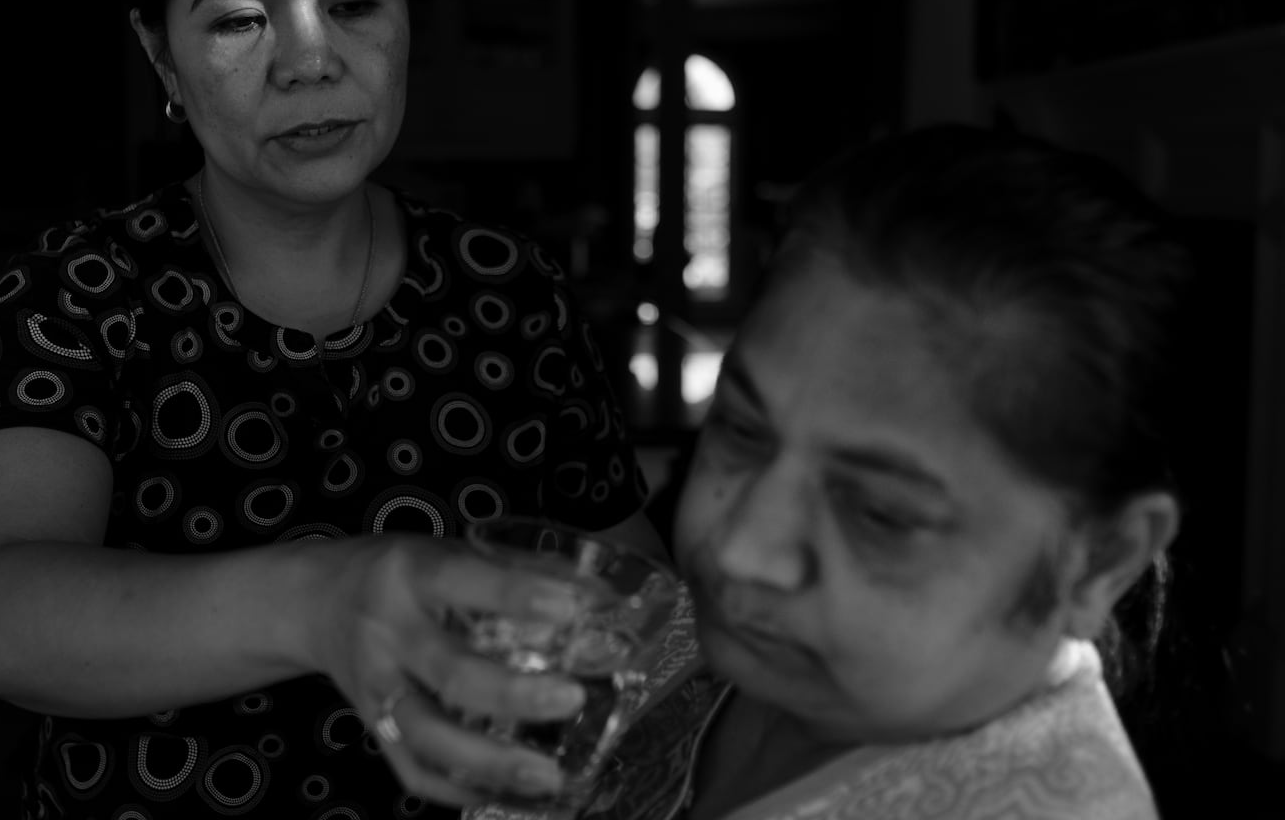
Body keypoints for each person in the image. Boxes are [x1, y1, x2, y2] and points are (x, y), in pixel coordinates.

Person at [0, 0, 664, 817]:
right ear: (161, 54)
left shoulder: (509, 293)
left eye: (355, 3)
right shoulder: (82, 291)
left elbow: (633, 606)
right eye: (239, 20)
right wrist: (325, 598)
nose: (310, 61)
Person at [473, 123, 1192, 820]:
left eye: (879, 511)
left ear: (1100, 560)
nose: (739, 549)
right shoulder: (689, 646)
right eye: (743, 431)